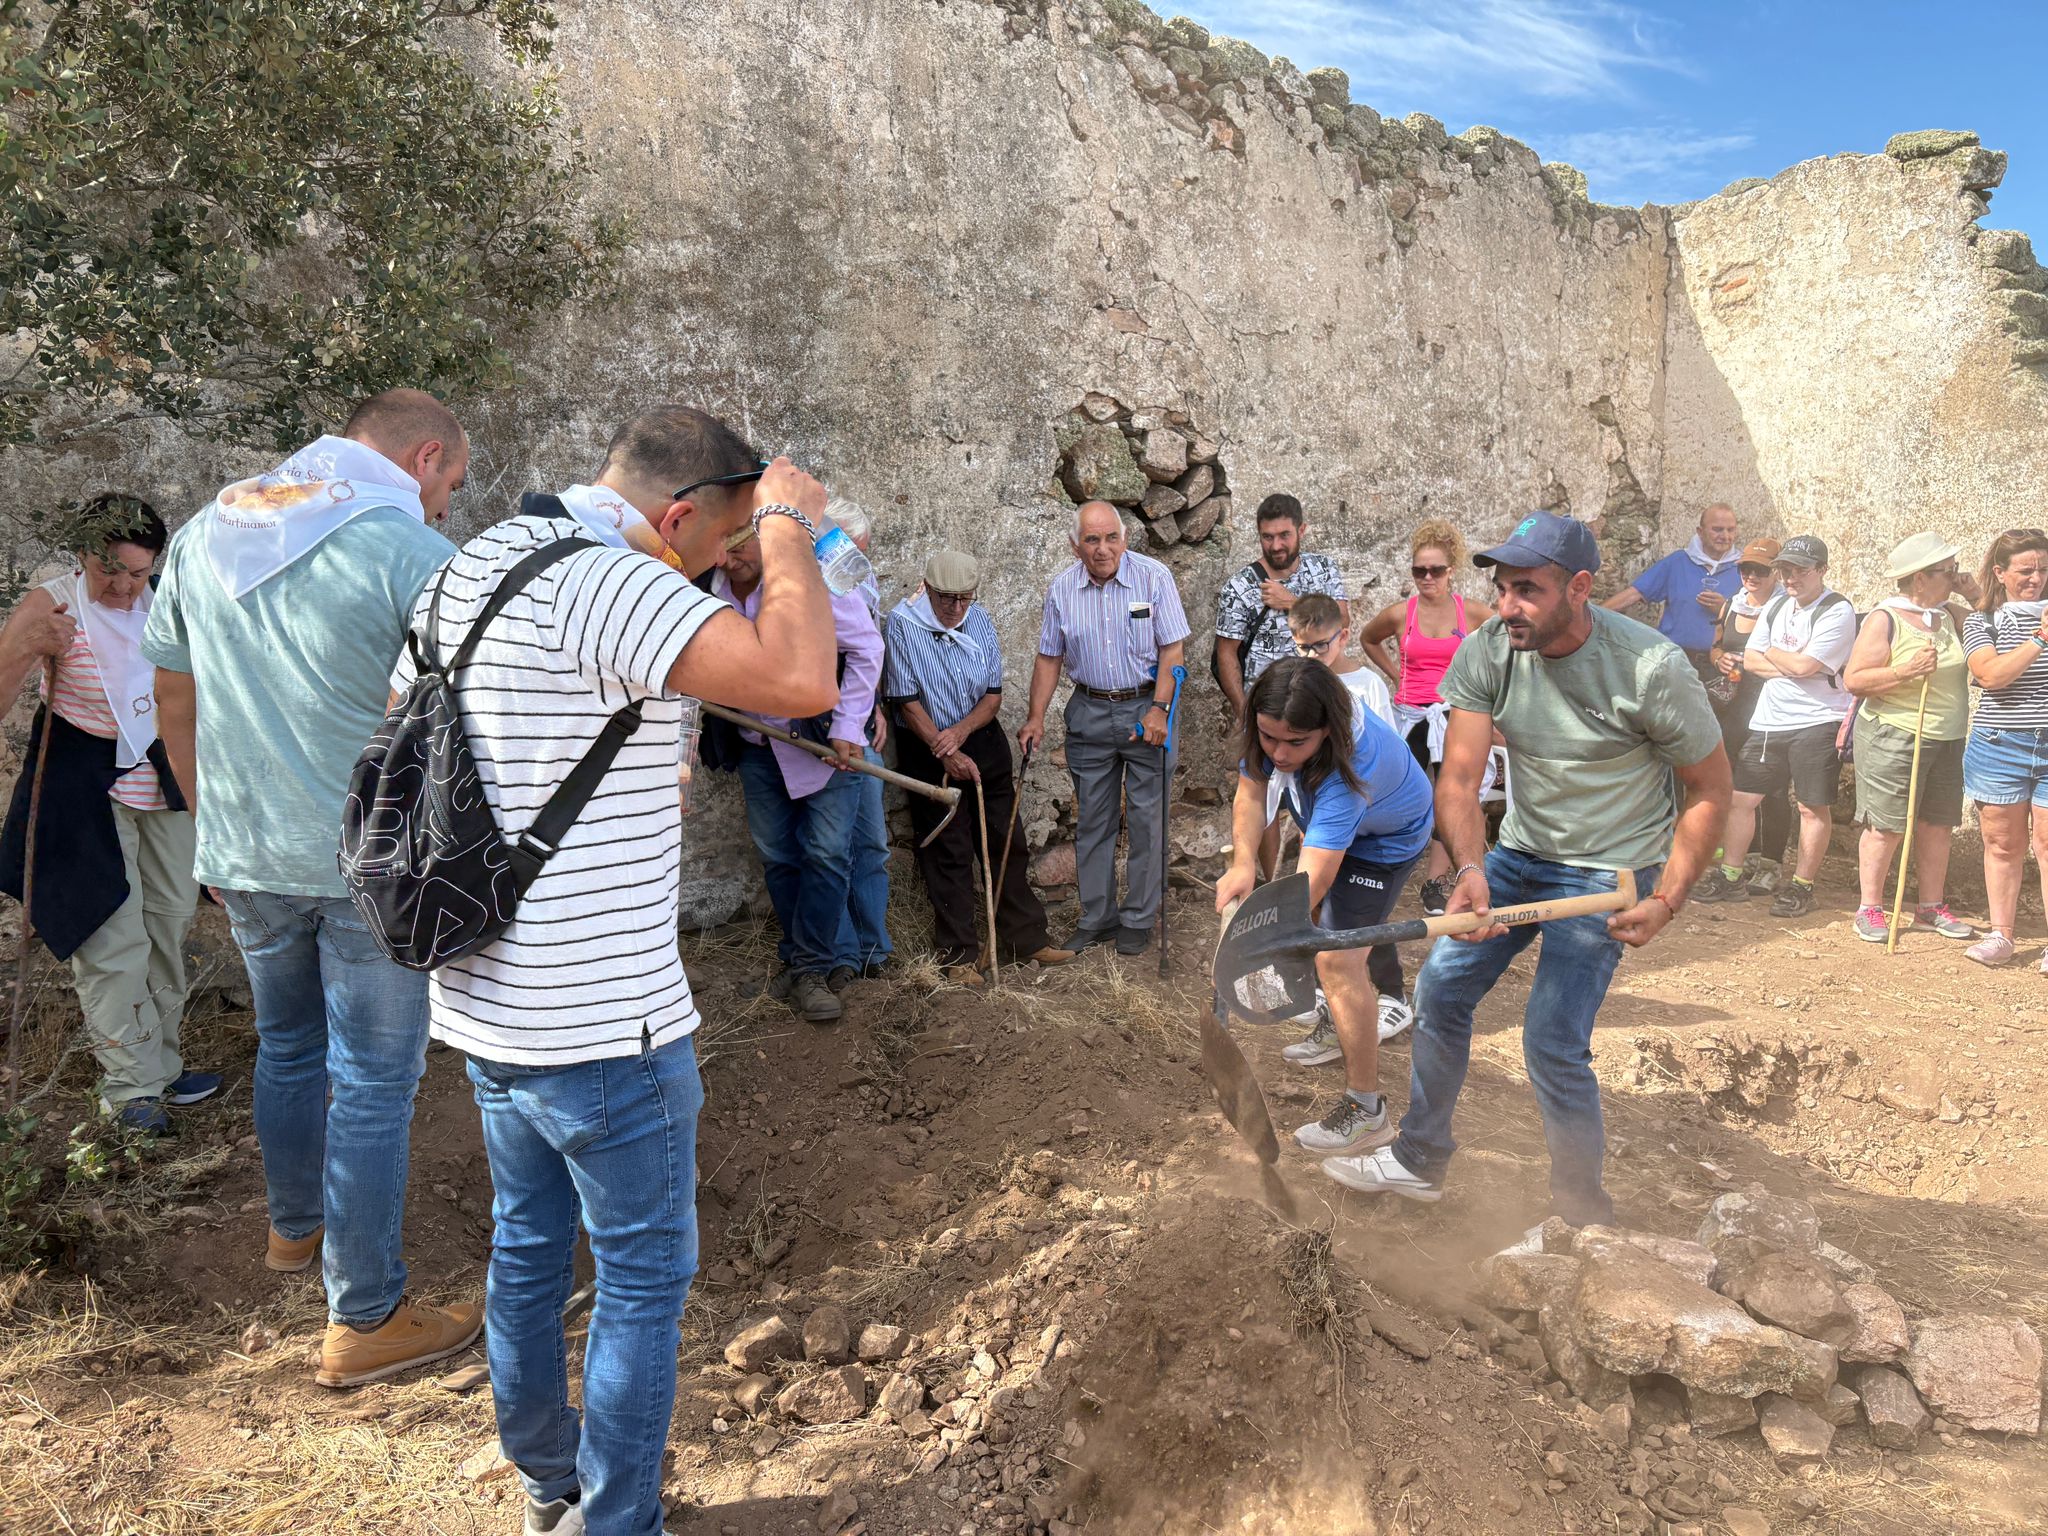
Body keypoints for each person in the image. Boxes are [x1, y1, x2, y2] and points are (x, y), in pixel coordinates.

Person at [393, 406, 839, 1536]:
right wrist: (792, 531)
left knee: (528, 1255)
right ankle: (618, 1521)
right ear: (676, 515)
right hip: (604, 1022)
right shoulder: (617, 581)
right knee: (641, 1280)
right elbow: (799, 678)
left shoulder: (480, 559)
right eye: (723, 544)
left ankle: (553, 1489)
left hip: (487, 1008)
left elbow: (419, 723)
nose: (724, 566)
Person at [141, 390, 473, 1384]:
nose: (447, 506)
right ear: (421, 458)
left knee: (287, 1043)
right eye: (450, 483)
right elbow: (472, 706)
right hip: (363, 864)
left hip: (242, 851)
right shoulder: (401, 549)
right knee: (374, 1080)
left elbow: (169, 689)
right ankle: (365, 1316)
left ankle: (296, 1232)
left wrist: (210, 823)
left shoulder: (208, 532)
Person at [1323, 511, 1729, 1223]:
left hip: (1608, 873)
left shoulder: (1649, 667)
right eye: (1502, 587)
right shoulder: (1488, 649)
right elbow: (1459, 779)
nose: (1508, 605)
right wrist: (1468, 869)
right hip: (1518, 853)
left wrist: (1668, 898)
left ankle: (1582, 1217)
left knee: (1550, 1038)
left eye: (1527, 590)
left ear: (1579, 587)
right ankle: (1421, 1158)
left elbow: (1710, 789)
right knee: (1442, 993)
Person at [0, 497, 214, 1133]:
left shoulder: (172, 601)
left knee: (169, 921)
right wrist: (28, 645)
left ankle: (163, 1068)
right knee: (112, 933)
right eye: (106, 571)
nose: (122, 588)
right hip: (82, 783)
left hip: (167, 778)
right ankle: (130, 1089)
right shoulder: (52, 604)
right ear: (79, 559)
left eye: (136, 574)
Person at [1219, 659, 1434, 1173]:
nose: (1278, 753)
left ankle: (1366, 1110)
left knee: (1337, 962)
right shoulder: (1276, 722)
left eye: (1295, 743)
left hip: (1385, 841)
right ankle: (1338, 1024)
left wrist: (1259, 933)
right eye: (1270, 739)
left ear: (1328, 732)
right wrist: (1244, 863)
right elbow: (1252, 789)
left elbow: (1312, 879)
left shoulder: (1353, 767)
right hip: (1331, 821)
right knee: (1316, 931)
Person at [713, 522, 884, 1022]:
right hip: (755, 744)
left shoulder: (813, 578)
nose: (727, 559)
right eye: (721, 548)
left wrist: (850, 724)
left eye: (738, 544)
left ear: (767, 536)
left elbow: (866, 649)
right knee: (778, 857)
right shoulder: (708, 583)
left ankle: (810, 968)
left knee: (828, 854)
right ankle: (800, 959)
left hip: (818, 742)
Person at [885, 549, 1072, 973]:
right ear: (928, 590)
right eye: (946, 598)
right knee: (948, 848)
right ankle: (960, 955)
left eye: (964, 598)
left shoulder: (980, 619)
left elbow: (992, 695)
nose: (956, 608)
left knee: (1007, 840)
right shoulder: (901, 624)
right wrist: (945, 748)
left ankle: (1025, 938)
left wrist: (962, 735)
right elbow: (907, 703)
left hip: (979, 734)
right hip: (927, 742)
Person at [1019, 501, 1189, 955]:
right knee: (1092, 820)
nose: (1102, 548)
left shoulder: (1154, 578)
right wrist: (1035, 716)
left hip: (1145, 708)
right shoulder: (1061, 590)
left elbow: (1173, 650)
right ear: (1075, 546)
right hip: (1090, 711)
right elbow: (1049, 657)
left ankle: (1137, 918)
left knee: (1146, 819)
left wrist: (1158, 709)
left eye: (1111, 537)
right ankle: (1098, 918)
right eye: (1092, 540)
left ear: (1125, 538)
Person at [1275, 593, 1415, 1054]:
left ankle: (1392, 995)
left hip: (1367, 816)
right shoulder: (1294, 689)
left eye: (1320, 646)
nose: (1312, 656)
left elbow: (1385, 754)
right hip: (1324, 815)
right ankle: (1330, 1001)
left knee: (1355, 916)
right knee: (1332, 908)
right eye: (1302, 647)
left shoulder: (1366, 686)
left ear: (1343, 636)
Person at [1707, 535, 1856, 918]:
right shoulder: (1776, 608)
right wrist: (1790, 662)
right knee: (1742, 798)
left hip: (1818, 720)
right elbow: (1751, 662)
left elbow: (1802, 666)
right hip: (1771, 719)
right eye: (1785, 570)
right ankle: (1730, 876)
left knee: (1810, 806)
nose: (1790, 578)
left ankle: (1802, 886)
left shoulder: (1837, 611)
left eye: (1800, 570)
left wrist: (1774, 653)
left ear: (1821, 570)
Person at [1844, 533, 1976, 945]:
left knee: (1938, 824)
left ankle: (1930, 907)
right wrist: (1905, 671)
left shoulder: (1951, 614)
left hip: (1948, 736)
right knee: (1886, 825)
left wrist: (1973, 593)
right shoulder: (1886, 618)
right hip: (1895, 734)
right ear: (1919, 579)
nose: (1955, 577)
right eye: (1948, 572)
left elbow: (2001, 631)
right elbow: (1855, 680)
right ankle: (1870, 908)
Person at [1359, 518, 1495, 911]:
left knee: (1454, 794)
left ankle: (1435, 881)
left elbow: (1509, 636)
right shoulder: (1403, 614)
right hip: (1411, 715)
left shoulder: (1469, 613)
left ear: (1451, 571)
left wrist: (1488, 687)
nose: (1427, 577)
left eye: (1435, 570)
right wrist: (1395, 673)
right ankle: (1385, 869)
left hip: (1455, 713)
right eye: (1419, 570)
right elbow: (1368, 638)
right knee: (1403, 793)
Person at [1961, 528, 2048, 967]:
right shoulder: (1983, 622)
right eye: (2026, 570)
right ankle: (2002, 935)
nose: (2036, 578)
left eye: (2044, 570)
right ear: (2000, 573)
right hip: (1999, 746)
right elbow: (1992, 677)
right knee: (2001, 844)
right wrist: (2040, 640)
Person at [1691, 541, 1794, 902]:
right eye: (1745, 569)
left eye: (1760, 570)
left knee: (1774, 786)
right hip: (1733, 706)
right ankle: (1740, 856)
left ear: (1776, 572)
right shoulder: (1733, 604)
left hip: (1770, 705)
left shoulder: (1786, 608)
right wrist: (1719, 659)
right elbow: (1716, 645)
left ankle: (1770, 862)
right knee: (1733, 780)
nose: (1751, 576)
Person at [824, 496, 894, 979]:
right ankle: (843, 953)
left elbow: (866, 651)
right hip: (818, 730)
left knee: (871, 841)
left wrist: (875, 705)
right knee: (830, 849)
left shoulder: (859, 578)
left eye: (864, 553)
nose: (861, 566)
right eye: (855, 552)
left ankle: (875, 949)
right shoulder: (808, 583)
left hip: (861, 726)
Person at [1212, 493, 1347, 721]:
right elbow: (1226, 654)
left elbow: (1343, 620)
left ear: (1301, 530)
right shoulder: (1240, 586)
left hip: (1320, 704)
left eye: (1284, 535)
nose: (1276, 546)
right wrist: (1244, 715)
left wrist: (1292, 603)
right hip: (1266, 710)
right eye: (1267, 537)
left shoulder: (1323, 569)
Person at [1603, 502, 1744, 683]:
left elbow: (1758, 619)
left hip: (1721, 665)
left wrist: (1724, 610)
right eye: (1717, 529)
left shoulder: (1744, 569)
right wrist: (1593, 613)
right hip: (1675, 660)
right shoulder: (1678, 562)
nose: (1725, 536)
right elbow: (1635, 593)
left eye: (1730, 530)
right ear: (1700, 532)